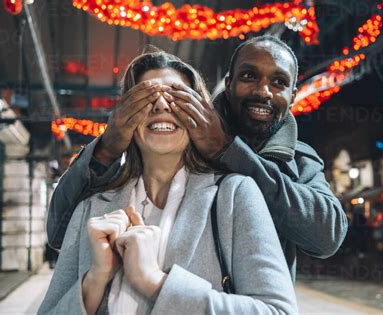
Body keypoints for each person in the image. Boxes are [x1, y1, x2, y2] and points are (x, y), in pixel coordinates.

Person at [47, 35, 348, 281]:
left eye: (279, 82)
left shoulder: (298, 159)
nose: (263, 92)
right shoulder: (178, 141)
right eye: (248, 76)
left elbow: (326, 237)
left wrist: (228, 152)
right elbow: (61, 233)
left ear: (293, 95)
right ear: (228, 83)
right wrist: (107, 149)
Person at [39, 49, 297, 314]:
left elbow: (278, 311)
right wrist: (94, 281)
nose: (161, 106)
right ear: (125, 117)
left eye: (176, 98)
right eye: (145, 98)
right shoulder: (91, 207)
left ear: (201, 115)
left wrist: (154, 282)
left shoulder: (234, 195)